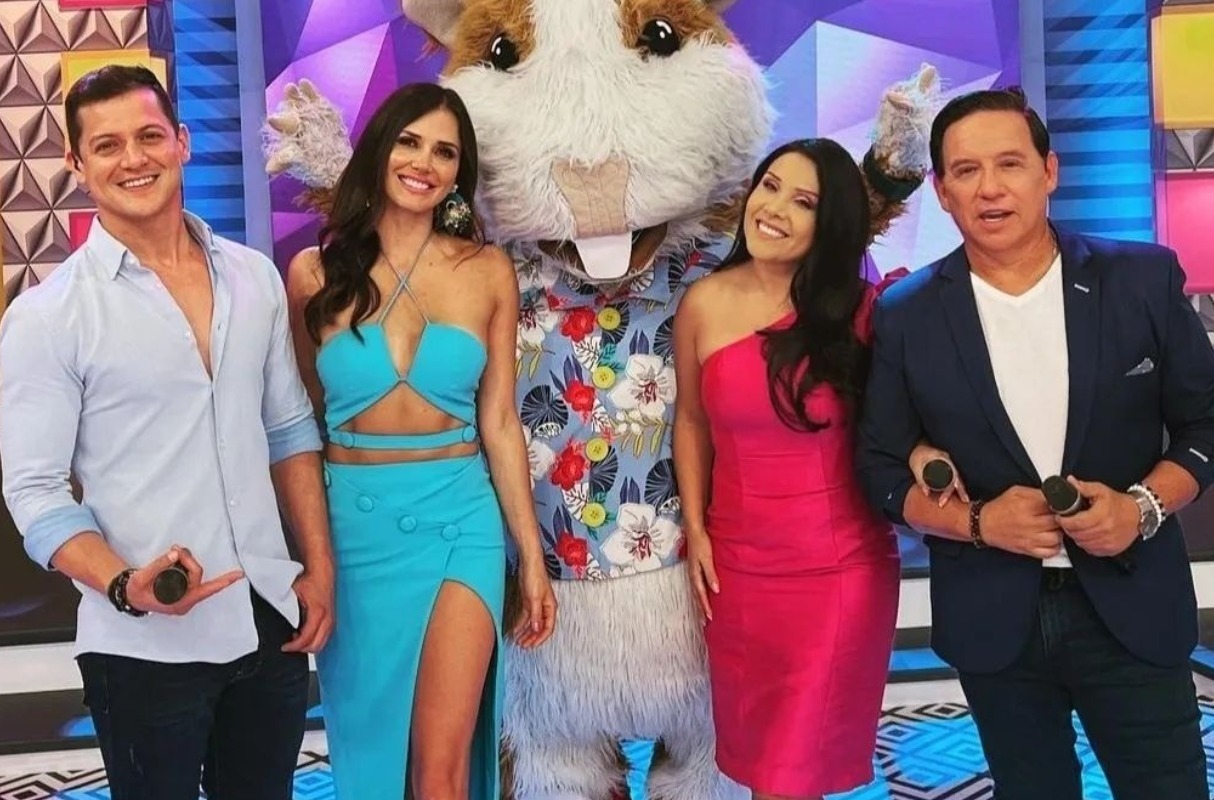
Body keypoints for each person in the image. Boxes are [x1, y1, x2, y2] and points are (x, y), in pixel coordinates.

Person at [856, 86, 1214, 800]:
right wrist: (979, 523)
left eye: (1010, 163)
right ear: (942, 191)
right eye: (966, 171)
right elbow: (880, 466)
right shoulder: (907, 313)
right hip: (995, 620)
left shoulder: (1141, 278)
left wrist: (1141, 507)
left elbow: (1205, 424)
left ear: (1049, 171)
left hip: (1132, 603)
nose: (989, 188)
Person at [0, 65, 334, 799]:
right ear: (76, 163)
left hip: (268, 618)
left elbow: (288, 430)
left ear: (181, 142)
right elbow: (34, 492)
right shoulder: (48, 316)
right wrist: (125, 585)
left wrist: (318, 567)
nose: (134, 158)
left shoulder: (253, 277)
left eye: (149, 136)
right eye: (107, 145)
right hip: (141, 645)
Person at [284, 81, 557, 800]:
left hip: (459, 520)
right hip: (356, 530)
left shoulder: (486, 271)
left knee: (442, 769)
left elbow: (500, 422)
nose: (424, 163)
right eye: (409, 142)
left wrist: (530, 558)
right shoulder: (312, 274)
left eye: (445, 152)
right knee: (375, 763)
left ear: (460, 173)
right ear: (379, 149)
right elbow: (302, 423)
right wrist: (311, 554)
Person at [672, 138, 914, 800]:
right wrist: (696, 528)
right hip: (737, 573)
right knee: (763, 770)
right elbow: (691, 422)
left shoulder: (864, 313)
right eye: (770, 185)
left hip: (839, 573)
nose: (773, 208)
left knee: (791, 774)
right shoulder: (702, 303)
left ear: (830, 224)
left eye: (803, 201)